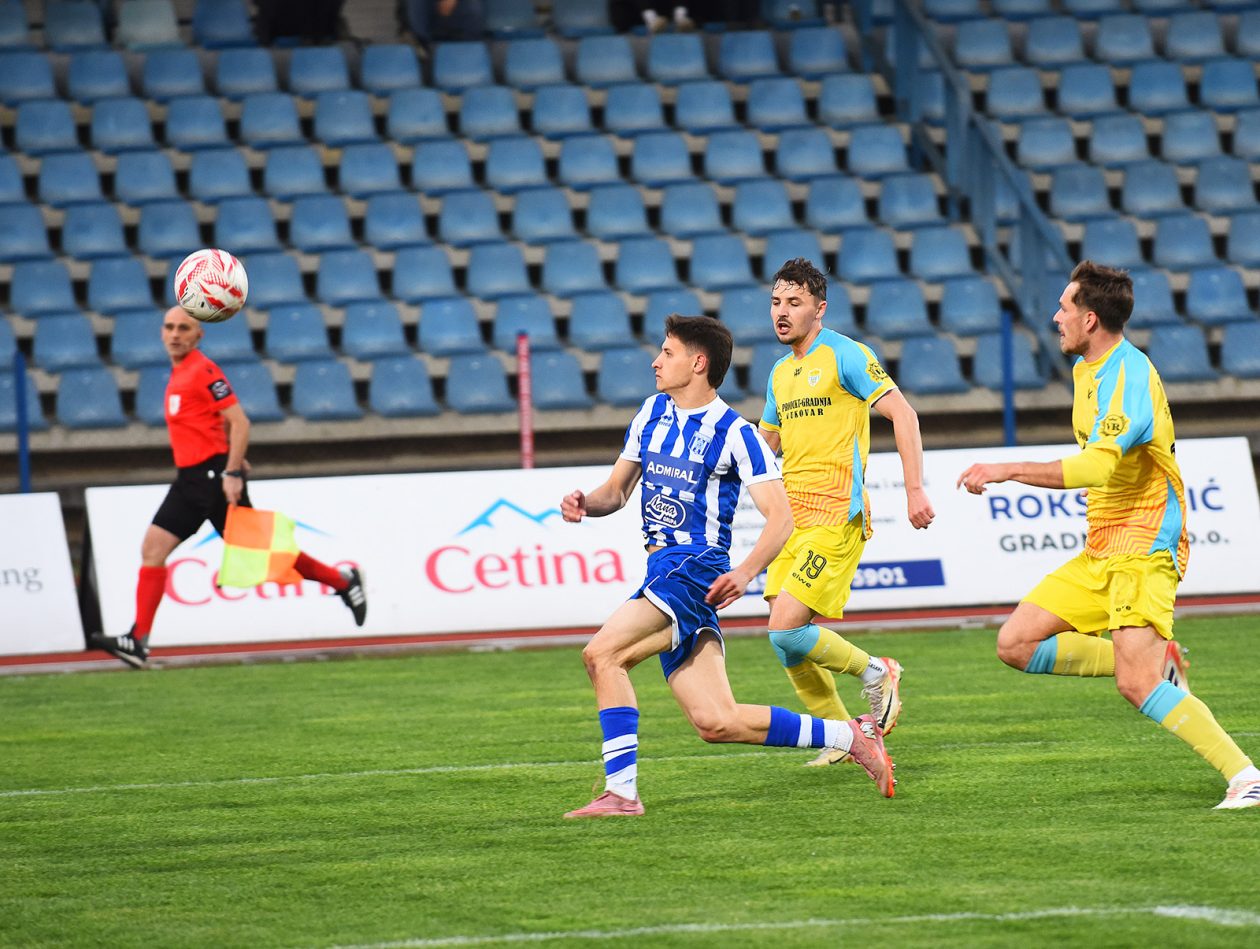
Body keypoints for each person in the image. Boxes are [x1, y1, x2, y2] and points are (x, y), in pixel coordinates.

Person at [561, 315, 895, 818]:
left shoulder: (737, 434)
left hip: (693, 568)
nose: (655, 362)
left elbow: (781, 517)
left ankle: (622, 793)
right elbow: (617, 491)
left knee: (602, 655)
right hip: (664, 572)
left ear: (698, 363)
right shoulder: (651, 412)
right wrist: (586, 503)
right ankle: (850, 736)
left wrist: (744, 572)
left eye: (667, 352)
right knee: (717, 722)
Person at [956, 260, 1260, 810]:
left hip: (1145, 543)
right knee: (1016, 644)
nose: (1056, 318)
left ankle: (1246, 776)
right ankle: (1156, 659)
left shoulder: (1128, 377)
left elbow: (1096, 468)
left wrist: (1008, 468)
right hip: (1102, 543)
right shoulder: (1087, 369)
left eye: (1063, 309)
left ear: (1090, 319)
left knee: (1136, 685)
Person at [89, 307, 367, 669]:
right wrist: (229, 453)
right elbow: (211, 421)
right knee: (153, 549)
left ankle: (343, 582)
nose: (175, 334)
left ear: (198, 335)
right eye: (170, 327)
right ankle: (138, 640)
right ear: (161, 333)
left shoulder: (203, 371)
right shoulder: (180, 372)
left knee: (266, 555)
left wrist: (232, 470)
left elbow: (240, 421)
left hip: (213, 480)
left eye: (184, 328)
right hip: (190, 480)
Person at [758, 258, 935, 767]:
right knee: (786, 643)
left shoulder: (846, 354)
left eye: (794, 302)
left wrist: (914, 490)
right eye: (776, 302)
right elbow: (766, 445)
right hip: (791, 519)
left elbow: (903, 414)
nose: (782, 312)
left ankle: (878, 670)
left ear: (819, 309)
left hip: (836, 514)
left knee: (786, 627)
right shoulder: (780, 372)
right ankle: (842, 738)